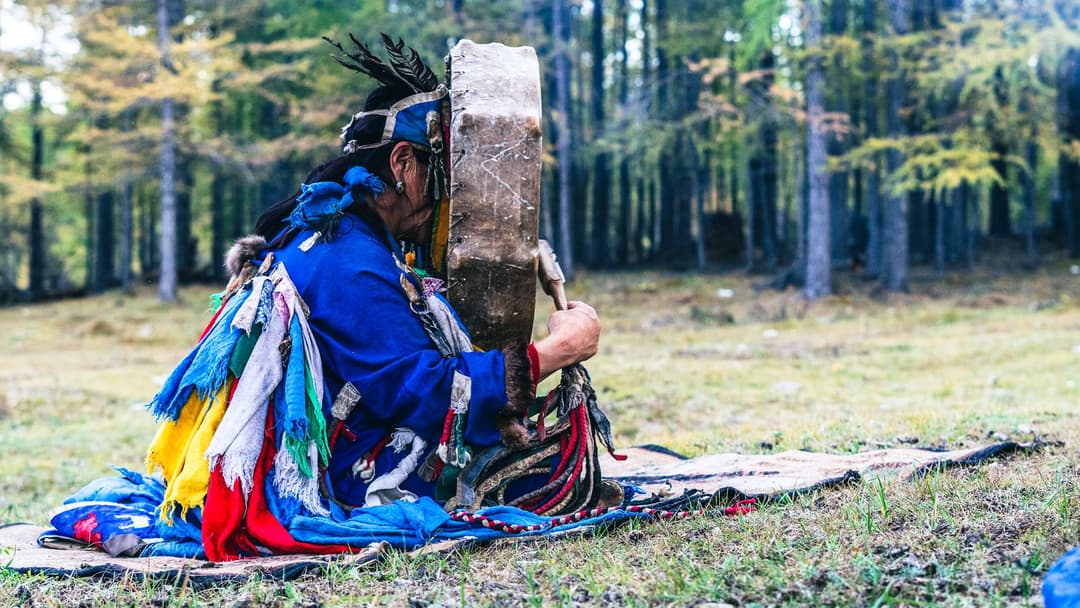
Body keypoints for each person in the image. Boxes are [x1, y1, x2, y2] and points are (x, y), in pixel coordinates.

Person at [139, 36, 608, 560]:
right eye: (441, 180)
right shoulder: (349, 260)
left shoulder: (339, 237)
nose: (444, 202)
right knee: (555, 463)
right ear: (404, 163)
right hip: (349, 470)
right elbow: (425, 393)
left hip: (351, 440)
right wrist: (555, 353)